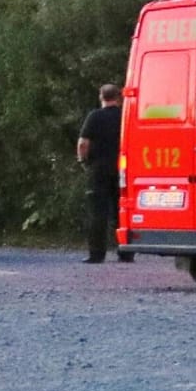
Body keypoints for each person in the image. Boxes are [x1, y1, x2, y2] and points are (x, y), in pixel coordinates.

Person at [76, 83, 123, 263]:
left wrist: (83, 160)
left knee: (98, 213)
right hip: (122, 169)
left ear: (101, 97)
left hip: (99, 169)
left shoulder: (95, 116)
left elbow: (83, 144)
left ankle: (97, 254)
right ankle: (125, 251)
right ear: (118, 97)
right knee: (120, 210)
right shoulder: (124, 116)